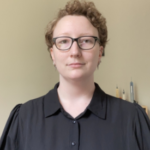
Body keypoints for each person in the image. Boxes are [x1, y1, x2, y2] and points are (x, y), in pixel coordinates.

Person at [0, 0, 150, 149]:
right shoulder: (23, 119)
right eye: (64, 41)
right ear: (53, 54)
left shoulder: (133, 119)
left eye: (85, 41)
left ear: (100, 53)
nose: (75, 52)